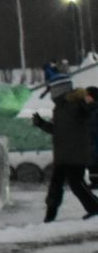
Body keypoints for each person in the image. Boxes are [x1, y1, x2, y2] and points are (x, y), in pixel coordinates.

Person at [31, 75, 98, 222]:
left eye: (52, 89)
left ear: (59, 89)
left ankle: (95, 208)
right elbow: (59, 130)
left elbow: (89, 110)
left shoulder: (76, 104)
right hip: (62, 154)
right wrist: (41, 124)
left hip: (76, 153)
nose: (51, 93)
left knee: (76, 183)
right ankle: (50, 216)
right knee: (55, 186)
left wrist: (89, 102)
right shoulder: (59, 109)